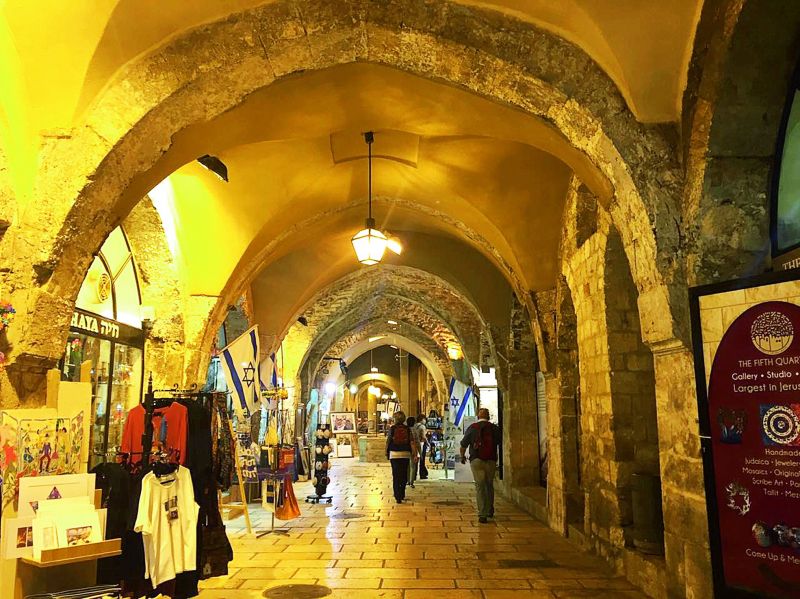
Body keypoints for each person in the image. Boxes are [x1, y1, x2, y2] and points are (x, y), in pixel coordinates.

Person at [460, 408, 502, 523]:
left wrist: (462, 456)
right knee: (489, 484)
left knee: (480, 486)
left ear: (478, 416)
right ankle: (489, 510)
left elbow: (463, 444)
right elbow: (499, 442)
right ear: (488, 416)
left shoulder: (473, 428)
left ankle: (482, 514)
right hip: (491, 460)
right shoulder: (494, 428)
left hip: (476, 460)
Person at [386, 411, 418, 503]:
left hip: (394, 454)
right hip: (405, 454)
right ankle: (402, 493)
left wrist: (386, 452)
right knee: (404, 475)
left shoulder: (392, 429)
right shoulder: (408, 429)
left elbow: (388, 441)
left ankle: (397, 496)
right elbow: (412, 442)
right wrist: (414, 454)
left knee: (396, 475)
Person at [414, 415, 429, 479]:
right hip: (421, 444)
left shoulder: (414, 426)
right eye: (425, 419)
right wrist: (428, 443)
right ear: (422, 419)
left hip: (414, 444)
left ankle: (413, 474)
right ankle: (422, 474)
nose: (425, 421)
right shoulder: (422, 426)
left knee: (415, 460)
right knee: (422, 460)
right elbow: (423, 436)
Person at [406, 416, 417, 488]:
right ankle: (411, 481)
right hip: (412, 449)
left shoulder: (405, 429)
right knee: (413, 466)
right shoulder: (414, 430)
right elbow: (416, 441)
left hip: (405, 449)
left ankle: (407, 480)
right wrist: (417, 451)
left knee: (407, 466)